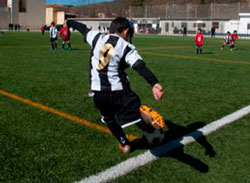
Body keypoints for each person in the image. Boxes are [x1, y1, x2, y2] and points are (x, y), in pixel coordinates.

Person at [66, 17, 164, 154]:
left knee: (109, 119)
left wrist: (69, 22)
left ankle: (125, 144)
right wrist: (154, 83)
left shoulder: (96, 37)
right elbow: (139, 66)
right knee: (132, 108)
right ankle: (142, 116)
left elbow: (82, 28)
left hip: (98, 93)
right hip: (118, 91)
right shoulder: (125, 46)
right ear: (125, 32)